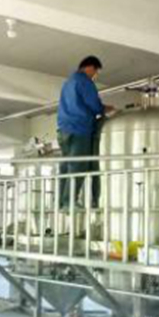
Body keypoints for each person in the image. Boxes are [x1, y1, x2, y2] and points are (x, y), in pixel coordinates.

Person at [57, 55, 113, 209]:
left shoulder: (68, 82)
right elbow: (94, 104)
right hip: (79, 129)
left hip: (63, 129)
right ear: (90, 67)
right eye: (96, 71)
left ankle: (60, 202)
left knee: (66, 166)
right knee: (78, 166)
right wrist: (105, 109)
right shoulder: (85, 81)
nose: (95, 75)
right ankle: (69, 202)